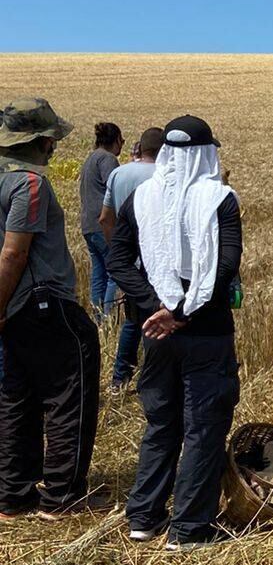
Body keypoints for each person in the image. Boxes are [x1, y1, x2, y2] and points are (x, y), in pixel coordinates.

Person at [107, 115, 242, 549]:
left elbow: (118, 259)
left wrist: (154, 307)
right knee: (203, 426)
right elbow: (225, 266)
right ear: (207, 153)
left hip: (156, 332)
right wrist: (183, 310)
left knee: (161, 422)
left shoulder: (143, 197)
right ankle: (188, 529)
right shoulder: (220, 198)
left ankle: (143, 517)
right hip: (208, 331)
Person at [0, 98, 101, 521]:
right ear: (42, 142)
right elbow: (13, 253)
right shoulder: (30, 184)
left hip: (13, 311)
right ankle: (61, 496)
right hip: (41, 302)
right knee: (67, 393)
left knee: (15, 397)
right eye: (51, 140)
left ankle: (12, 494)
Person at [99, 127, 165, 392]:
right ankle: (155, 378)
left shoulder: (119, 172)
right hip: (156, 261)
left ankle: (119, 378)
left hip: (127, 263)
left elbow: (105, 218)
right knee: (160, 321)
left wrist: (117, 251)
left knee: (132, 320)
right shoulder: (163, 177)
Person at [79, 122, 124, 316]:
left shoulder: (90, 158)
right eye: (121, 140)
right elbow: (113, 188)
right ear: (115, 140)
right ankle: (108, 317)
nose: (122, 145)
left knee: (99, 273)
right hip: (103, 224)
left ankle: (97, 319)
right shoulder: (108, 159)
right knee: (115, 272)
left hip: (88, 224)